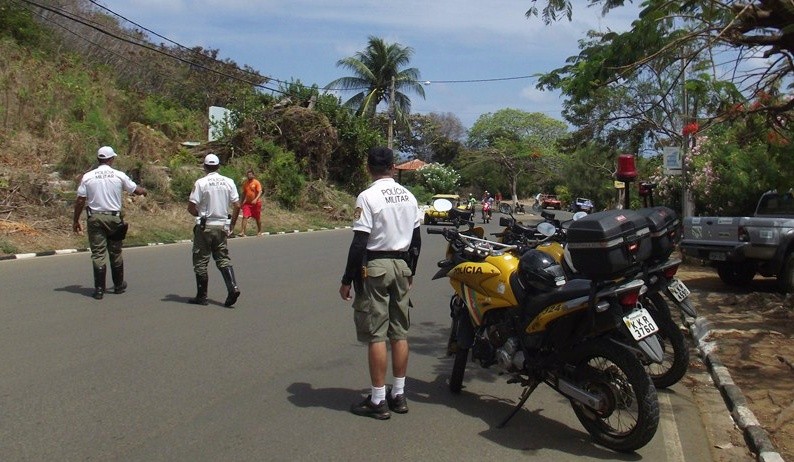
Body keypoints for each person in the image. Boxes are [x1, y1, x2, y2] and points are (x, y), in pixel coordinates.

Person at [339, 146, 422, 420]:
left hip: (375, 266)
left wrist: (347, 279)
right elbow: (416, 241)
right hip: (401, 265)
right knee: (399, 332)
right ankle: (398, 394)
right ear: (393, 166)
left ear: (368, 167)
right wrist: (411, 272)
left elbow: (359, 242)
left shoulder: (368, 196)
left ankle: (377, 399)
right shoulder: (409, 197)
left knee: (376, 333)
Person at [73, 146, 148, 300]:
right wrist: (144, 190)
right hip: (114, 218)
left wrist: (76, 220)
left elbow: (80, 200)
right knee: (115, 251)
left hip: (95, 218)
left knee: (98, 253)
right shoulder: (119, 175)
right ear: (111, 159)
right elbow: (135, 190)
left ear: (98, 159)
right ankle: (118, 285)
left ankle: (99, 290)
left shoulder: (88, 176)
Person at [187, 153, 242, 307]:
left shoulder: (201, 183)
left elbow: (191, 207)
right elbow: (237, 205)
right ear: (218, 166)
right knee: (223, 258)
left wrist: (199, 215)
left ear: (204, 167)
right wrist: (232, 224)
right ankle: (233, 287)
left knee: (201, 260)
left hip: (206, 226)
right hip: (222, 226)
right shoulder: (229, 182)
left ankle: (202, 296)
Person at [237, 169, 263, 236]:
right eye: (248, 175)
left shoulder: (256, 182)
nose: (249, 176)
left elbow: (260, 192)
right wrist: (241, 202)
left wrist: (255, 199)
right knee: (245, 216)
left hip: (256, 203)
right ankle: (242, 232)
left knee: (257, 218)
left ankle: (259, 231)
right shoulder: (245, 183)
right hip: (248, 203)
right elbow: (243, 194)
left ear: (253, 175)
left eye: (251, 174)